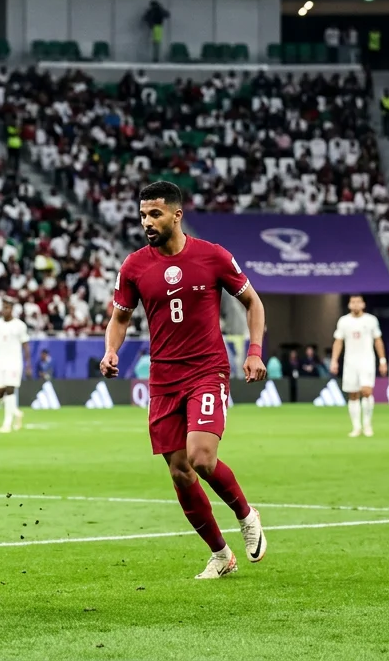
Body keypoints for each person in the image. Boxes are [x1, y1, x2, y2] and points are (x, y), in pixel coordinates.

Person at [102, 181, 267, 579]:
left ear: (177, 215)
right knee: (179, 470)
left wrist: (255, 351)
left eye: (155, 214)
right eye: (142, 215)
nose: (147, 222)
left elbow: (253, 302)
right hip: (163, 379)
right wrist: (111, 350)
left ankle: (246, 515)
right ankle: (220, 554)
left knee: (201, 458)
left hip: (206, 371)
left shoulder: (213, 256)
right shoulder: (134, 266)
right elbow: (120, 318)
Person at [331, 295, 385, 437]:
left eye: (358, 302)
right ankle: (356, 427)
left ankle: (367, 424)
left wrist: (383, 360)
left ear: (363, 304)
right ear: (349, 305)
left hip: (367, 361)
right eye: (352, 302)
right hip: (350, 362)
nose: (355, 304)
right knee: (353, 394)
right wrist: (334, 360)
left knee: (366, 391)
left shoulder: (371, 320)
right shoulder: (344, 321)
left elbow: (378, 340)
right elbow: (338, 341)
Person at [0, 301, 30, 433]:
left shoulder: (20, 325)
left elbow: (25, 345)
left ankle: (7, 423)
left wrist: (28, 364)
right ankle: (15, 412)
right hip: (0, 362)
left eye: (8, 308)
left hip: (14, 361)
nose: (5, 310)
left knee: (10, 389)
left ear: (12, 309)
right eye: (3, 308)